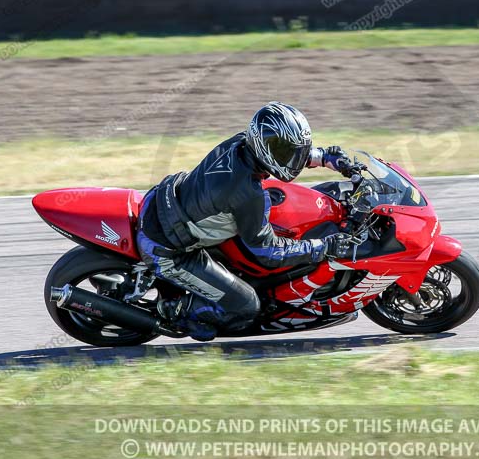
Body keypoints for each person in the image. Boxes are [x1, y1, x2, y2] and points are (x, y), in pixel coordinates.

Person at [136, 102, 355, 341]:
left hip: (165, 201)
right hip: (169, 250)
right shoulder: (247, 193)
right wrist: (323, 247)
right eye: (285, 152)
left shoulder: (241, 143)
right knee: (245, 307)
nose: (291, 158)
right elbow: (269, 253)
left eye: (293, 151)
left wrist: (323, 157)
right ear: (263, 145)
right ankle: (174, 310)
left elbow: (279, 153)